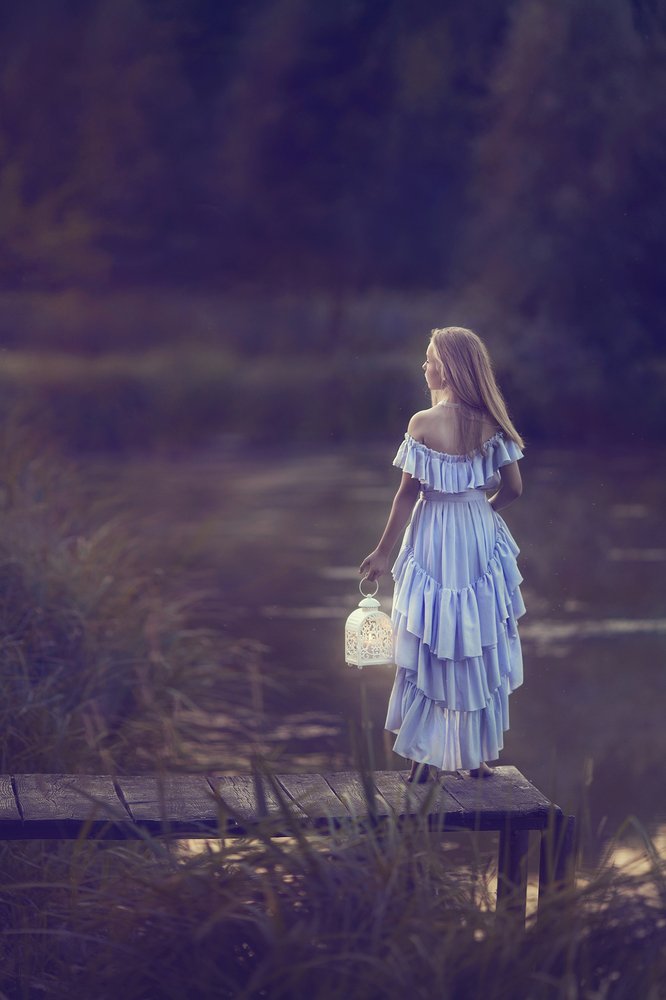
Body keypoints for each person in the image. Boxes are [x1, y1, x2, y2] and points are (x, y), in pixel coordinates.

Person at [359, 327, 525, 783]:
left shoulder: (422, 424)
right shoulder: (491, 422)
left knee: (429, 635)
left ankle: (421, 762)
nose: (424, 366)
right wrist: (482, 511)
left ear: (447, 368)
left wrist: (380, 552)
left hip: (432, 530)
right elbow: (513, 489)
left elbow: (406, 496)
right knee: (477, 635)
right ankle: (477, 758)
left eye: (430, 359)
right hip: (476, 529)